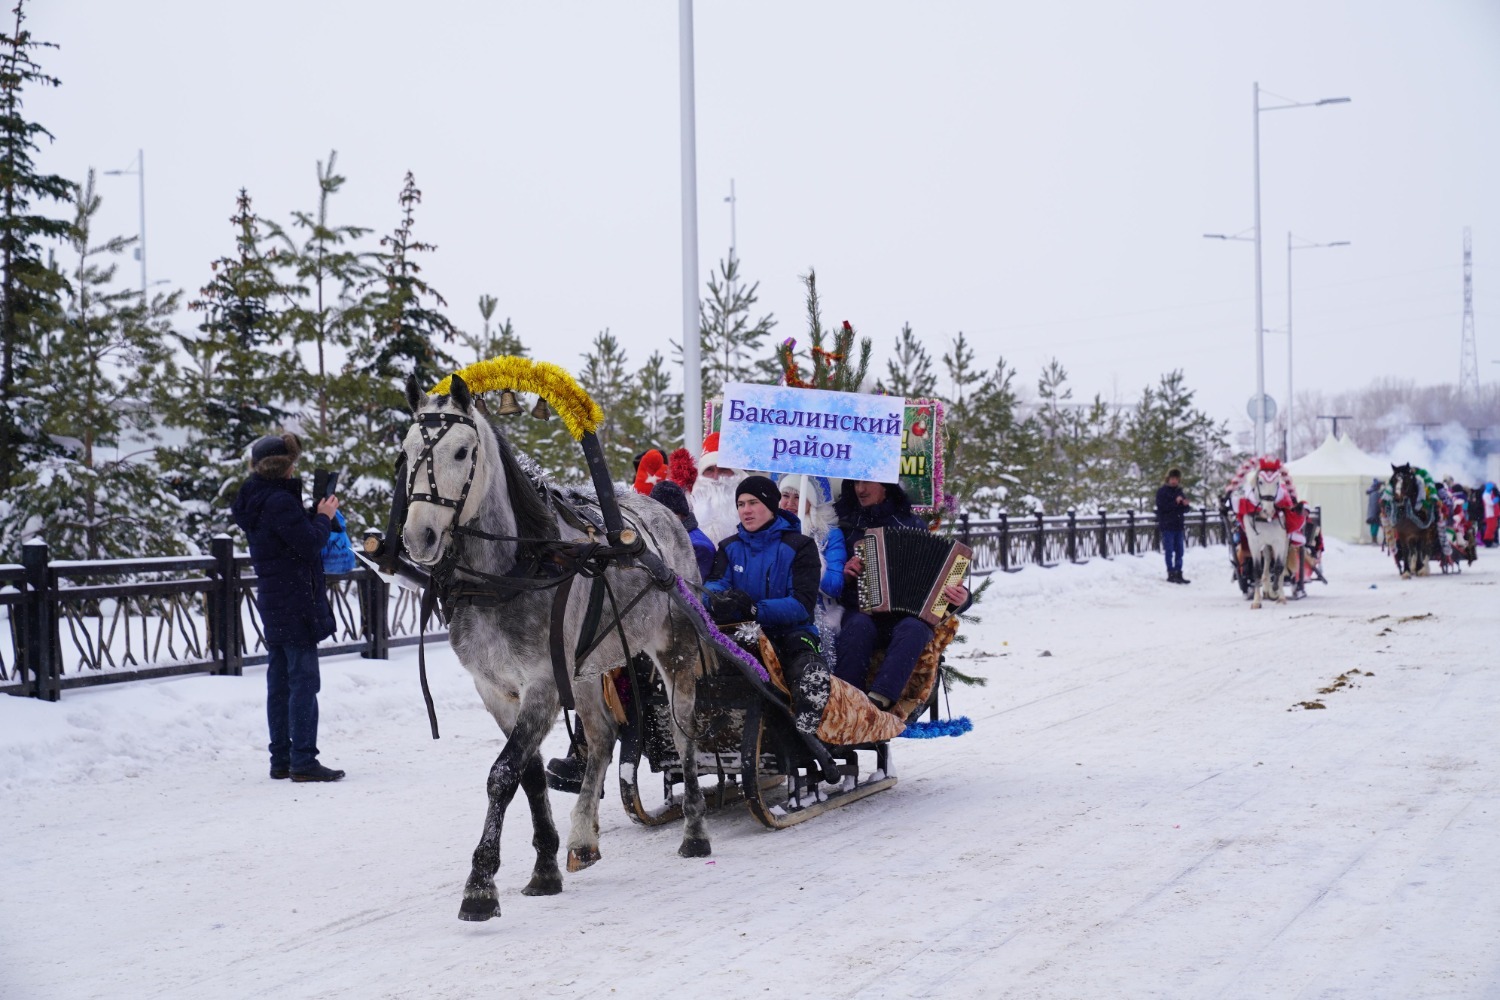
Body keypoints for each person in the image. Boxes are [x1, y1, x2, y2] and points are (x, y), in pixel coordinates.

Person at [230, 433, 346, 783]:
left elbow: (286, 538)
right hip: (296, 599)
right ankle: (303, 760)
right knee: (304, 682)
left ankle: (281, 759)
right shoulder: (279, 502)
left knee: (279, 681)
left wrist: (310, 513)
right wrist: (324, 517)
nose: (296, 468)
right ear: (283, 468)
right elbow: (308, 544)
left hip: (274, 597)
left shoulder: (258, 498)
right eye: (293, 463)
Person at [702, 475, 833, 738]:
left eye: (753, 502)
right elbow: (713, 586)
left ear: (771, 505)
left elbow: (801, 604)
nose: (745, 510)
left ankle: (805, 731)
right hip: (739, 631)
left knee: (804, 664)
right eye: (740, 504)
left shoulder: (800, 546)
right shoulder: (729, 547)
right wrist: (718, 600)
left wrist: (755, 610)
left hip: (790, 632)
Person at [832, 479, 969, 713]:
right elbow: (829, 579)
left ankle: (880, 701)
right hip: (862, 611)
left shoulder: (911, 524)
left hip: (906, 618)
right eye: (855, 483)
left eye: (867, 483)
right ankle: (846, 704)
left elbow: (943, 579)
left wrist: (963, 598)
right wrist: (844, 575)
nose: (860, 489)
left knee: (915, 629)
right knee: (858, 625)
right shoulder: (846, 525)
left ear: (886, 485)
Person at [650, 479, 715, 581]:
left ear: (679, 513)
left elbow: (692, 589)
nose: (658, 521)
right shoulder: (663, 537)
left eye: (663, 515)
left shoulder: (698, 546)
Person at [1155, 469, 1193, 584]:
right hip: (1167, 525)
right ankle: (1170, 573)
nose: (1174, 481)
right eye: (1172, 479)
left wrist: (1186, 505)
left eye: (1176, 479)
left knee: (1180, 551)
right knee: (1169, 550)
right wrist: (1175, 502)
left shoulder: (1179, 491)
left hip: (1178, 525)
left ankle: (1178, 572)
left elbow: (1184, 510)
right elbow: (1162, 507)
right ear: (1168, 479)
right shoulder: (1162, 492)